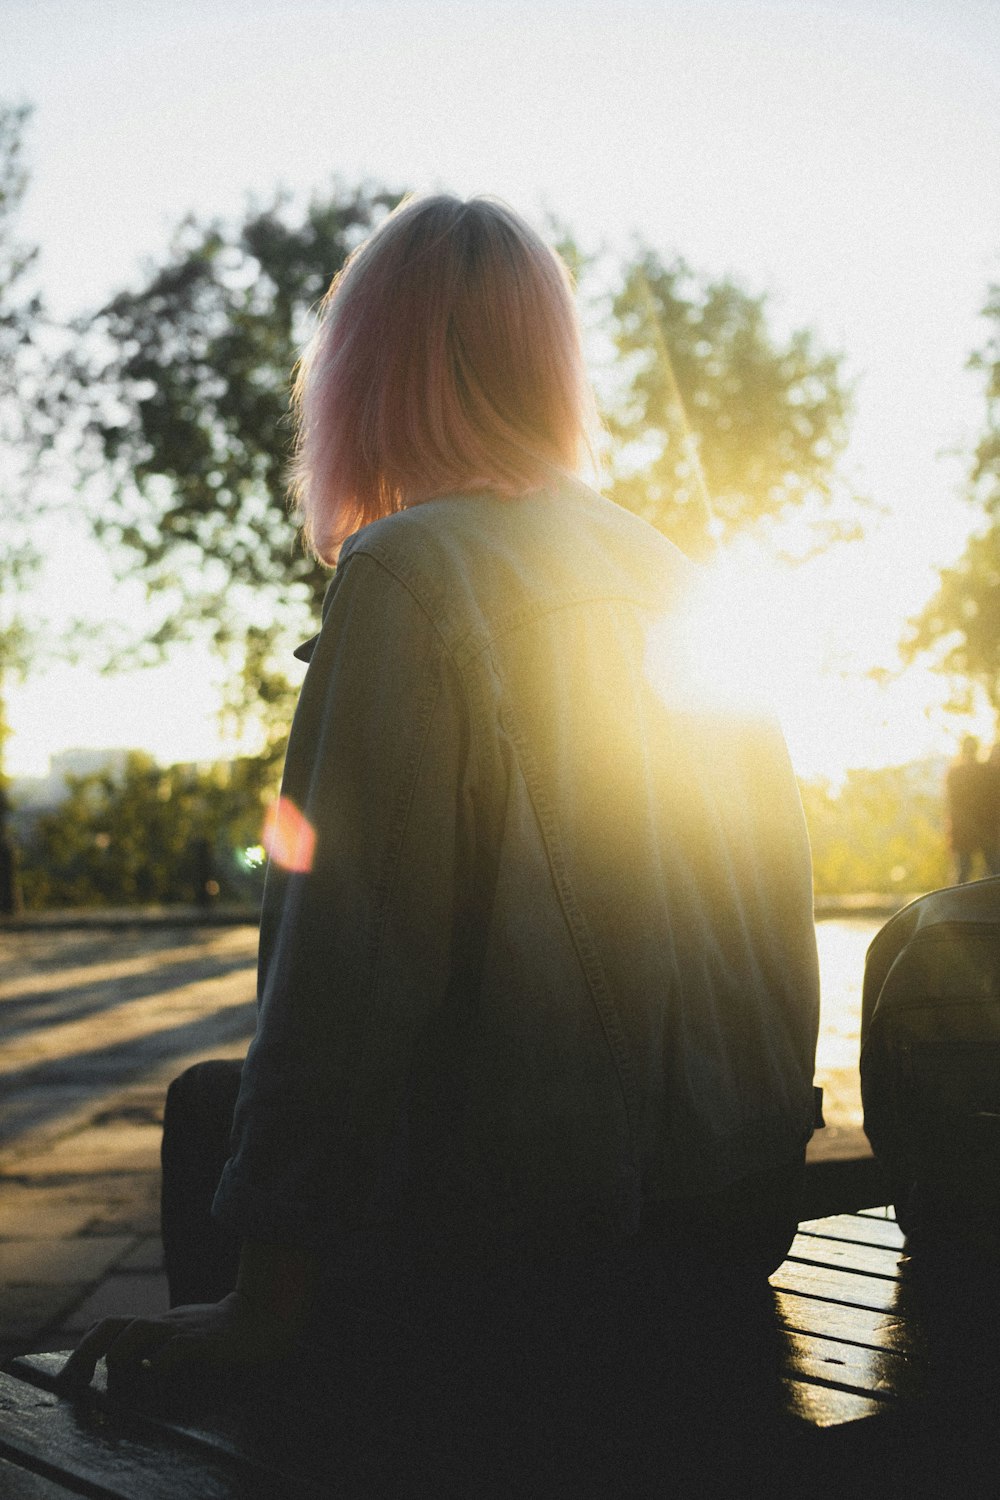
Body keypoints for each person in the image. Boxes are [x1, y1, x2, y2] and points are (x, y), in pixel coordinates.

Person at [59, 195, 819, 1471]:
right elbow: (777, 918)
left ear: (362, 375)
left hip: (542, 1255)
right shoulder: (674, 571)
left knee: (212, 1118)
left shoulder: (411, 571)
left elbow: (344, 976)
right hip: (731, 1211)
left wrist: (265, 1304)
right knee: (224, 1109)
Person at [946, 736, 1000, 884]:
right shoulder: (987, 771)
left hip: (970, 829)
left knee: (965, 872)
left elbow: (953, 804)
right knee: (992, 871)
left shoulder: (956, 773)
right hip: (982, 829)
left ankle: (957, 903)